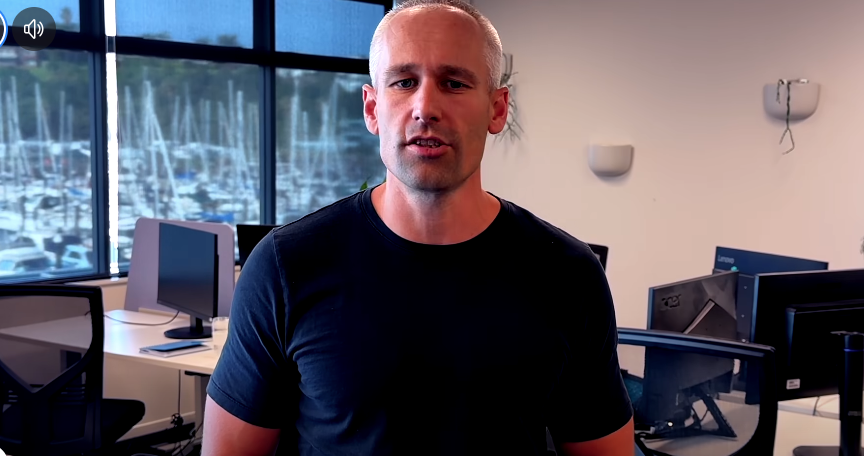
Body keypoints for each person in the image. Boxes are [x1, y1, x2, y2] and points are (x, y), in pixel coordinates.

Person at [202, 1, 633, 455]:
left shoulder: (568, 275)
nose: (425, 106)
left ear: (497, 108)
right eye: (404, 82)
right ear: (372, 108)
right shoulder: (285, 266)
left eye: (454, 83)